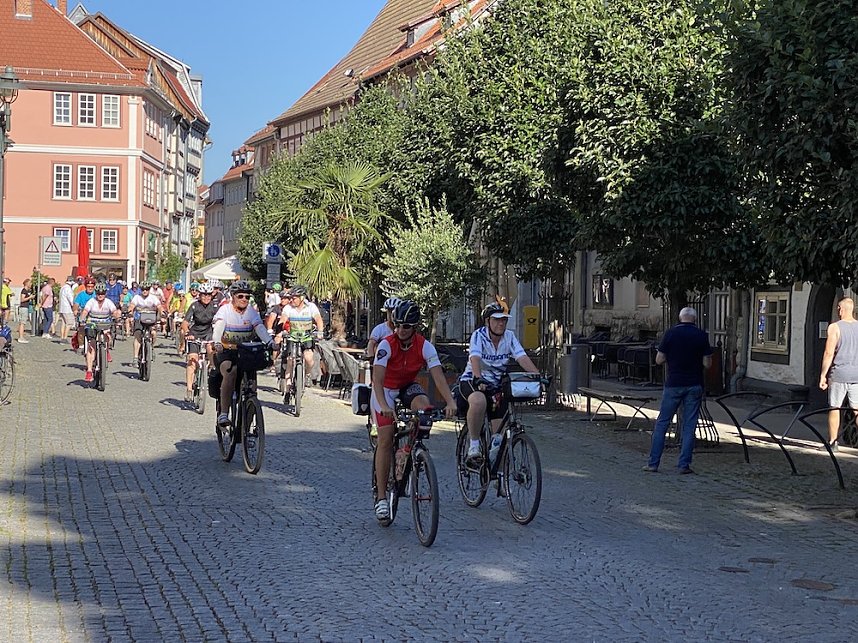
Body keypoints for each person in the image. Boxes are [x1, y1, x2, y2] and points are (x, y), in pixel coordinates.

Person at [371, 300, 457, 521]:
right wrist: (383, 406)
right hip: (385, 389)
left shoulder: (425, 346)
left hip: (407, 385)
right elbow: (377, 380)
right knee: (385, 438)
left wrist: (450, 402)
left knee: (425, 408)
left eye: (406, 326)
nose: (401, 330)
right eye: (397, 325)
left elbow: (438, 376)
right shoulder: (386, 345)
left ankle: (409, 451)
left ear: (415, 327)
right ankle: (382, 497)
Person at [458, 301, 540, 467]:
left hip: (495, 385)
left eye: (504, 320)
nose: (501, 323)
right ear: (488, 321)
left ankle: (499, 473)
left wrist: (538, 376)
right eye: (496, 319)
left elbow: (522, 358)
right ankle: (474, 445)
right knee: (479, 401)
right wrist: (478, 378)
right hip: (473, 380)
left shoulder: (509, 336)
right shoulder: (479, 335)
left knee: (499, 438)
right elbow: (475, 358)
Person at [643, 307, 713, 475]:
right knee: (689, 425)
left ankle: (653, 463)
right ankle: (684, 465)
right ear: (695, 319)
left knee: (662, 423)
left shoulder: (670, 334)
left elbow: (659, 360)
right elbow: (707, 363)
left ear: (680, 318)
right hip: (694, 383)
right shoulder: (701, 335)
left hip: (674, 383)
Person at [212, 280, 274, 428]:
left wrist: (270, 342)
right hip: (227, 351)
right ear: (232, 296)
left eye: (247, 296)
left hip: (246, 352)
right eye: (240, 296)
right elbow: (219, 327)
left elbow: (259, 328)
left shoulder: (251, 312)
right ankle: (224, 413)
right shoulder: (225, 310)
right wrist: (217, 342)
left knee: (252, 385)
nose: (244, 299)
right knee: (231, 372)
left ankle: (247, 424)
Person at [819, 297, 858, 451]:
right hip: (857, 375)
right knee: (857, 409)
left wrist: (823, 375)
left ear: (840, 309)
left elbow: (829, 353)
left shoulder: (835, 327)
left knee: (835, 407)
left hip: (839, 374)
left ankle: (833, 442)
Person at [278, 285, 324, 388]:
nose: (291, 300)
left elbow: (318, 319)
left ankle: (307, 374)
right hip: (292, 337)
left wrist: (320, 331)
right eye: (291, 298)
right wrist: (279, 332)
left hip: (306, 336)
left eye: (294, 298)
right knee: (290, 360)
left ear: (302, 298)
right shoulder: (288, 307)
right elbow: (283, 319)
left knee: (309, 358)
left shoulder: (311, 307)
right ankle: (288, 386)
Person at [181, 282, 217, 402]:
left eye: (208, 295)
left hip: (208, 333)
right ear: (200, 295)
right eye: (203, 295)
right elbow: (185, 322)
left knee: (211, 348)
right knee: (192, 361)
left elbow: (221, 320)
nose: (206, 297)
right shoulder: (194, 306)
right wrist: (188, 333)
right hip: (194, 334)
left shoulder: (215, 306)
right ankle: (189, 390)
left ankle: (212, 369)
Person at [79, 282, 120, 382]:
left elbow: (114, 311)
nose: (100, 295)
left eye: (102, 293)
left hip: (104, 323)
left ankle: (106, 350)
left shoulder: (108, 302)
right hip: (92, 323)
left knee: (108, 336)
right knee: (91, 346)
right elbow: (85, 311)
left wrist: (117, 317)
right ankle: (89, 371)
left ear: (105, 293)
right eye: (98, 293)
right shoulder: (91, 301)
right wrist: (82, 319)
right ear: (96, 293)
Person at [128, 282, 163, 367]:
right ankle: (135, 358)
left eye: (146, 289)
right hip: (139, 318)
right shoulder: (137, 297)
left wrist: (162, 313)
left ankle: (151, 347)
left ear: (149, 290)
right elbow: (132, 306)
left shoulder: (153, 298)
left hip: (150, 318)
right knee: (137, 335)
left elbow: (159, 306)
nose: (145, 291)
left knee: (153, 333)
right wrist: (130, 312)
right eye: (143, 289)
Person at [71, 278, 97, 351]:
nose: (90, 288)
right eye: (88, 286)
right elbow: (76, 304)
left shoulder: (96, 294)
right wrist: (75, 310)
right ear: (85, 286)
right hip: (83, 313)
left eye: (92, 286)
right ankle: (81, 345)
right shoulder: (81, 294)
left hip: (94, 313)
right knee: (81, 328)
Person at [16, 279, 33, 343]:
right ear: (27, 283)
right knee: (22, 323)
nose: (31, 284)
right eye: (30, 283)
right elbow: (22, 299)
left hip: (26, 307)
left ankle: (21, 336)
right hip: (23, 308)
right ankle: (20, 337)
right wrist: (29, 297)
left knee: (23, 323)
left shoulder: (27, 291)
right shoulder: (24, 291)